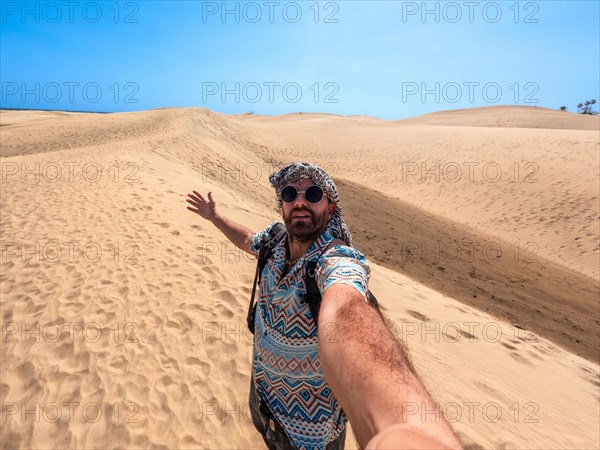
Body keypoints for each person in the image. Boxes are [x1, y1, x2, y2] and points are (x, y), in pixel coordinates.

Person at [187, 162, 463, 450]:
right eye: (290, 194)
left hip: (311, 435)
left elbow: (347, 309)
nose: (301, 202)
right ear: (281, 206)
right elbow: (246, 239)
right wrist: (214, 216)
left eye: (314, 194)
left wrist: (402, 429)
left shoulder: (335, 259)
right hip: (263, 400)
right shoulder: (273, 241)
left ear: (330, 209)